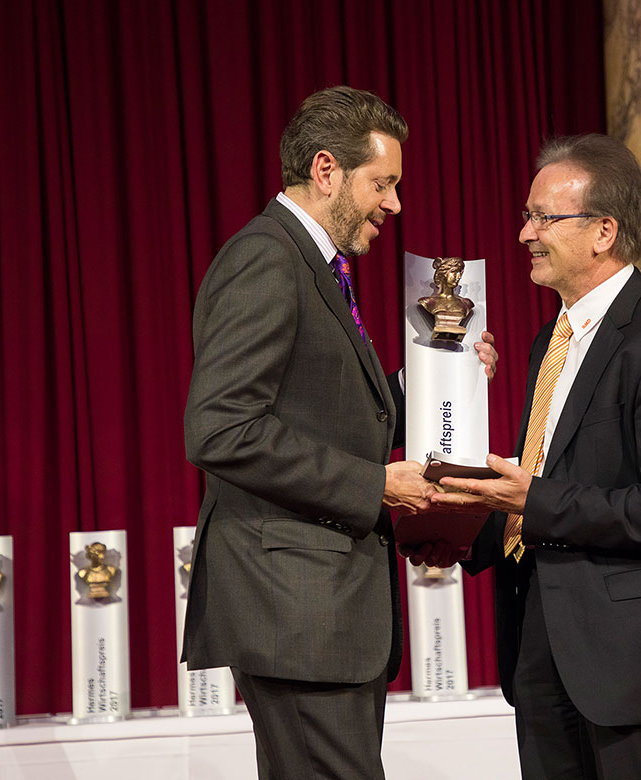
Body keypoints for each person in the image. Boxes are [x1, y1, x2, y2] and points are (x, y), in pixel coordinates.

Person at [182, 86, 496, 780]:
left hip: (323, 613)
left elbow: (331, 410)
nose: (395, 204)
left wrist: (438, 382)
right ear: (327, 170)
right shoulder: (268, 258)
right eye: (382, 184)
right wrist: (374, 484)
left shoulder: (316, 265)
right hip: (293, 608)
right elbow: (221, 427)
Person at [411, 133, 641, 779]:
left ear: (603, 231)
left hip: (633, 666)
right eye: (527, 216)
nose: (525, 232)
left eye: (543, 217)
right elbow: (552, 486)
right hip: (541, 648)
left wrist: (533, 499)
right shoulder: (546, 343)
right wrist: (463, 533)